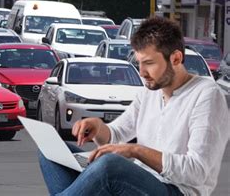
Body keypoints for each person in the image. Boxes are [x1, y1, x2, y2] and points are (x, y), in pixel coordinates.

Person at [38, 17, 229, 196]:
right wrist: (98, 128)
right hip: (140, 180)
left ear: (176, 59)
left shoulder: (207, 95)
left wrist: (136, 150)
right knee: (49, 150)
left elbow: (197, 172)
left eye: (149, 63)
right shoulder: (150, 91)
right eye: (139, 63)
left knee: (109, 165)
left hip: (177, 190)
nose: (142, 72)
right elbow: (116, 136)